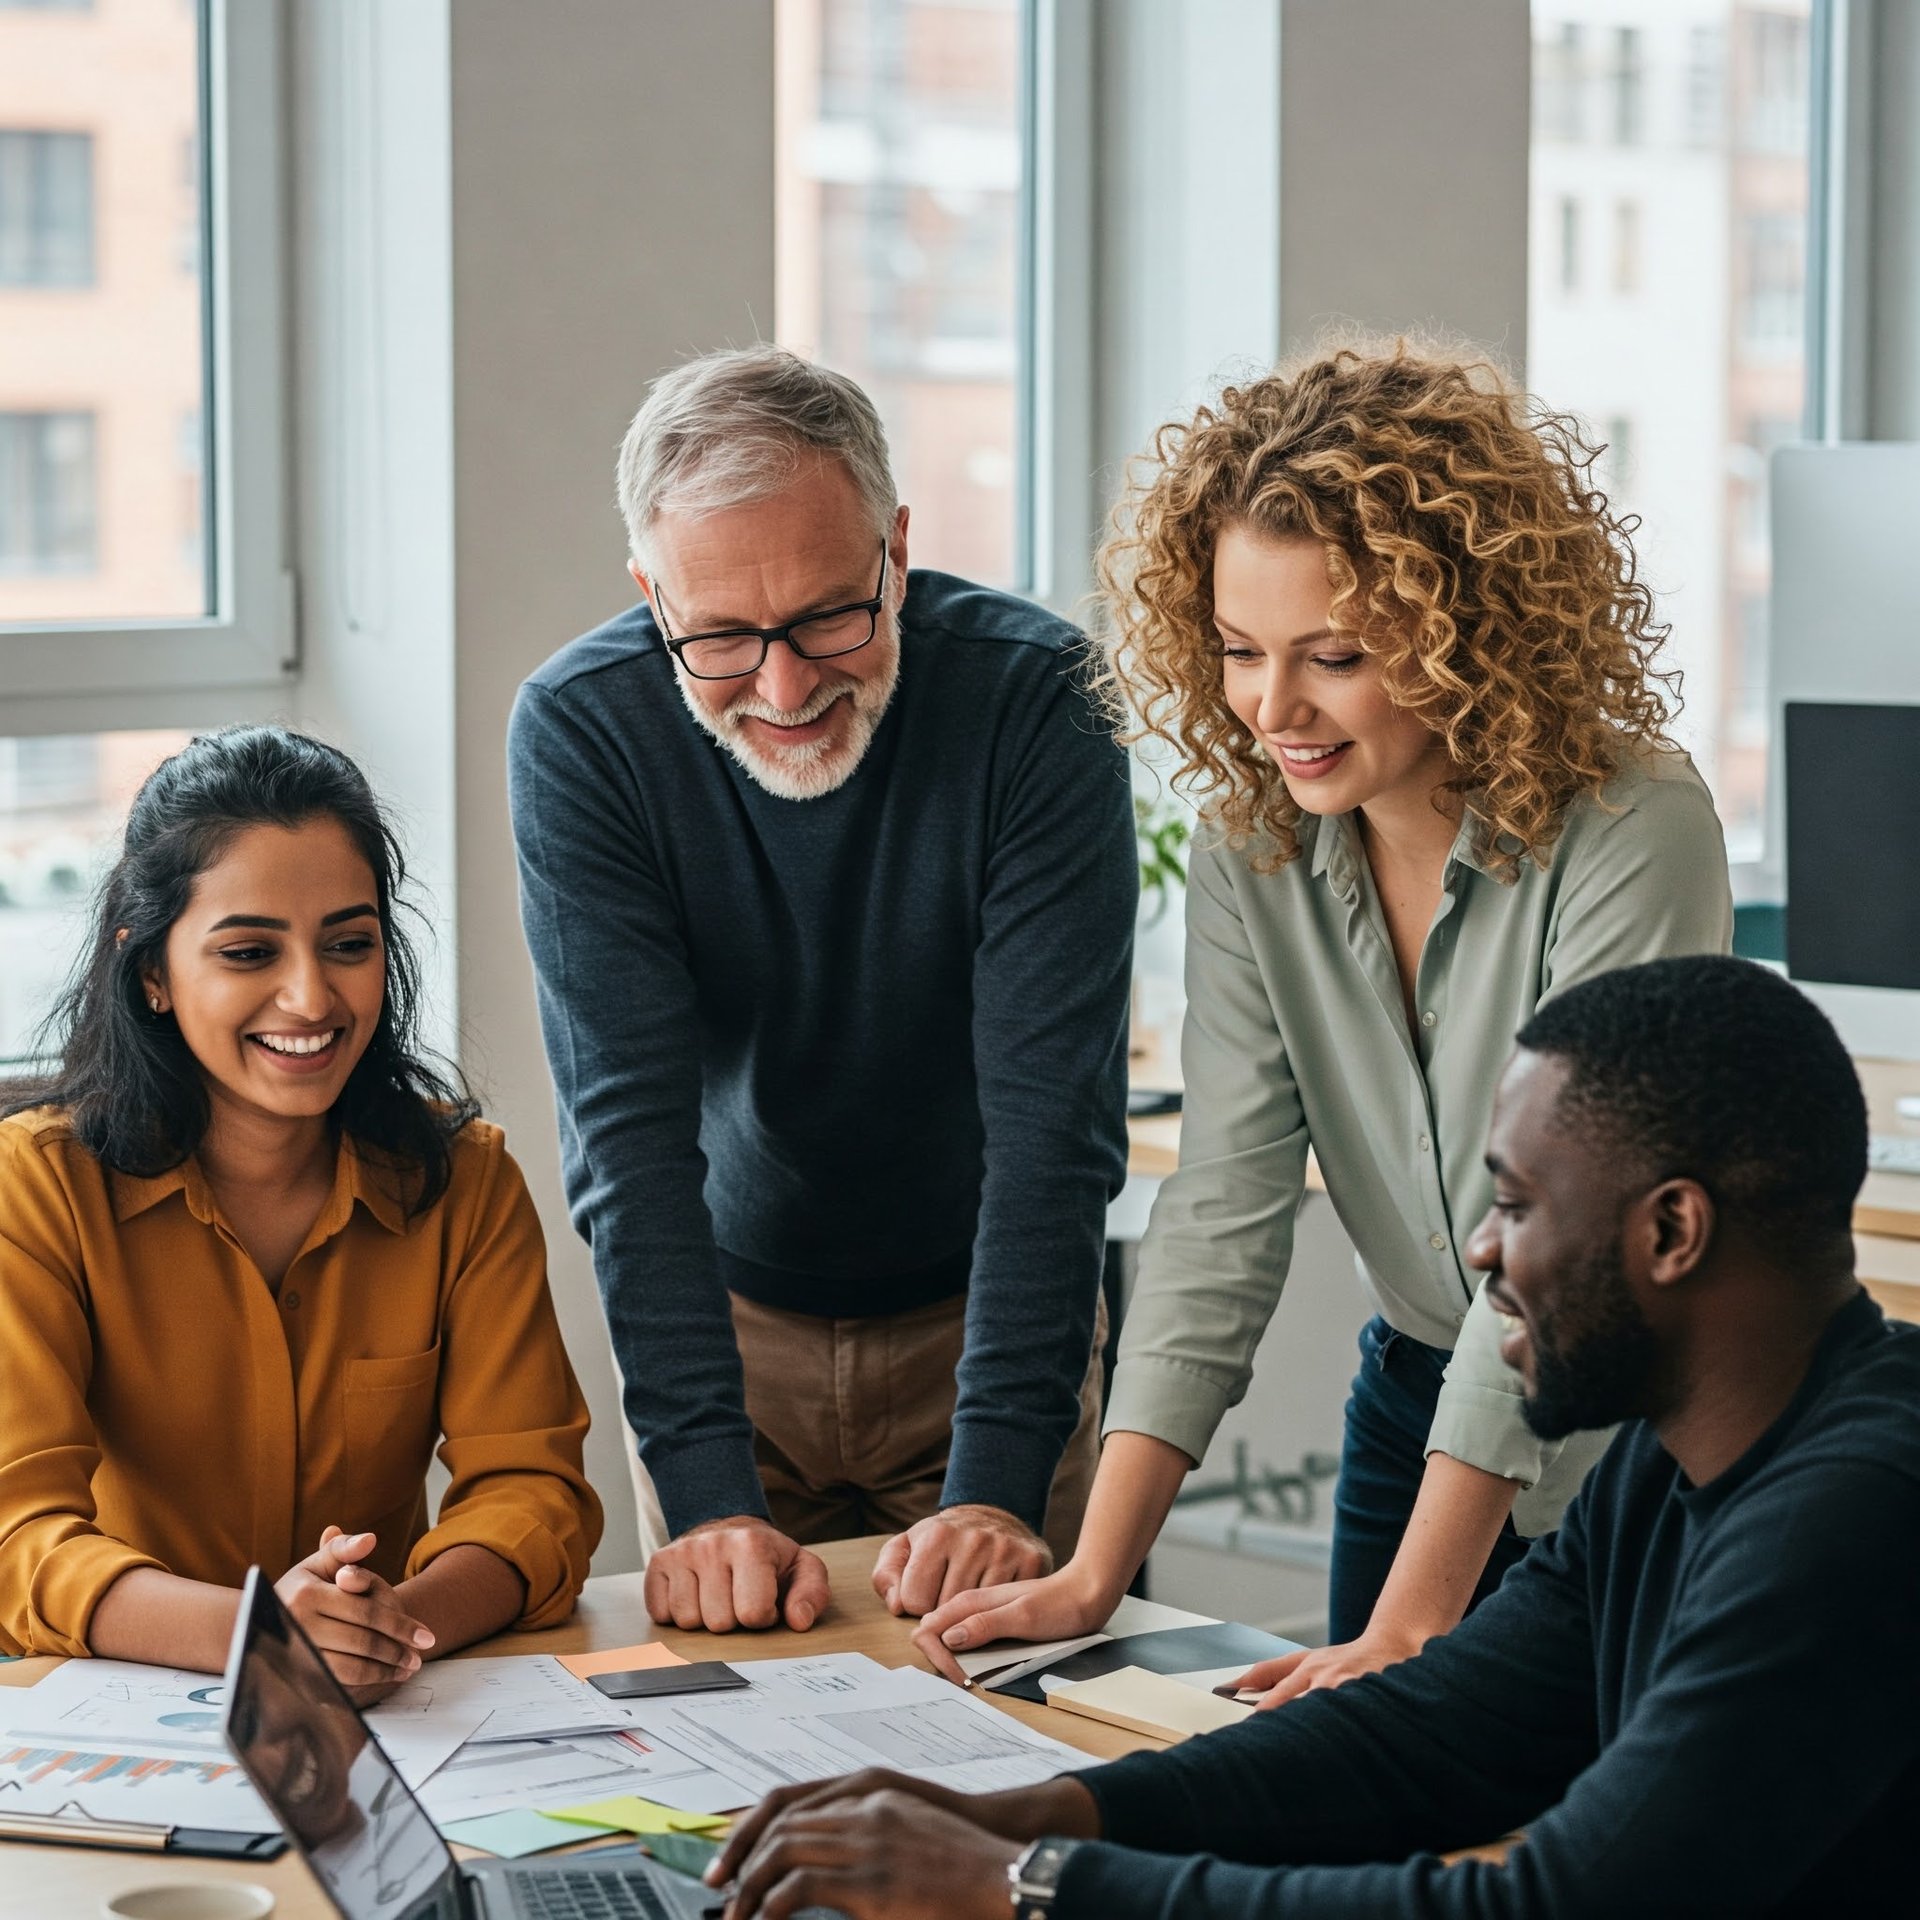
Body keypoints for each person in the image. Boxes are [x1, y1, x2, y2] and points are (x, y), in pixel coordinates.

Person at [712, 956, 1920, 1919]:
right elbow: (1430, 1737)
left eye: (1513, 1203)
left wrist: (1020, 1887)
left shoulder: (1856, 1513)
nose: (1483, 1253)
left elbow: (1571, 1901)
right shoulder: (1676, 1458)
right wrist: (1026, 1817)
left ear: (1672, 1233)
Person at [916, 342, 1732, 1696]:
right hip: (1419, 1407)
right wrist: (1092, 1573)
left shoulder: (1635, 825)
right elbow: (1224, 1203)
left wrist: (1410, 1630)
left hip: (1633, 1443)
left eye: (1335, 656)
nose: (1272, 710)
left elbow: (1557, 1243)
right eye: (1238, 651)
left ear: (1471, 628)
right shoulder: (1259, 844)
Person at [509, 345, 1135, 1636]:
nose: (788, 688)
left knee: (1005, 1759)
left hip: (986, 1315)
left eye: (832, 618)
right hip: (730, 1330)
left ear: (896, 549)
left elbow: (1050, 1131)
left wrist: (999, 1482)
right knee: (725, 1756)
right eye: (724, 638)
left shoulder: (1035, 704)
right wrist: (703, 1494)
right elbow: (628, 1145)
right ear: (650, 592)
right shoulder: (585, 731)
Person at [0, 727, 602, 1691]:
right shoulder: (35, 1188)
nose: (311, 996)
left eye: (349, 944)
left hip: (387, 1701)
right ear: (151, 971)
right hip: (116, 1706)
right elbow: (17, 1533)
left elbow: (534, 1493)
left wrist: (392, 1625)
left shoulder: (466, 1180)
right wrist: (264, 1632)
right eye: (248, 951)